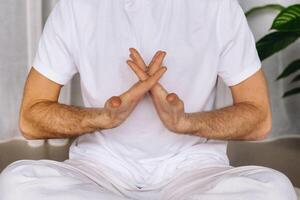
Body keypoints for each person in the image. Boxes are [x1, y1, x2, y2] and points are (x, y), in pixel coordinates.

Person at [0, 0, 297, 199]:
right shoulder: (77, 6)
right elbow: (31, 118)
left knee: (274, 189)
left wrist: (186, 122)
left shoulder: (217, 6)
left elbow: (259, 118)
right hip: (100, 170)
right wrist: (102, 118)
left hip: (195, 171)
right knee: (17, 181)